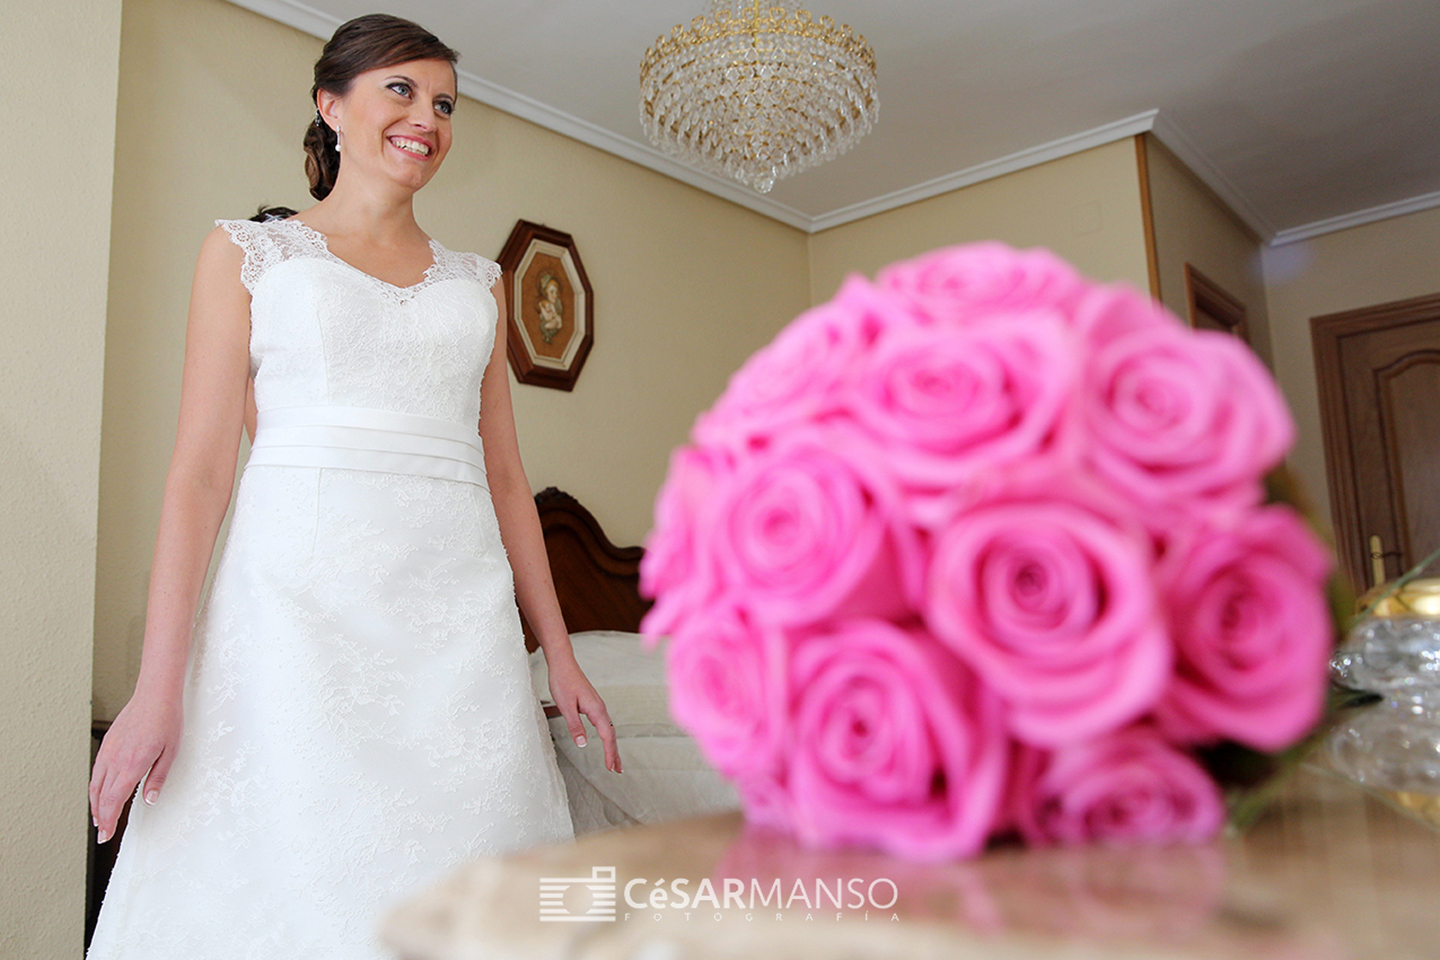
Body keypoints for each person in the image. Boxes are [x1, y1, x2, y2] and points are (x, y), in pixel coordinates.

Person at [86, 14, 617, 958]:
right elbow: (201, 476)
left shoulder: (479, 284)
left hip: (459, 631)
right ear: (331, 105)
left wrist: (560, 655)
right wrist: (156, 687)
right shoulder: (250, 255)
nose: (428, 118)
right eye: (401, 90)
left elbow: (505, 479)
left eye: (445, 102)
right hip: (295, 618)